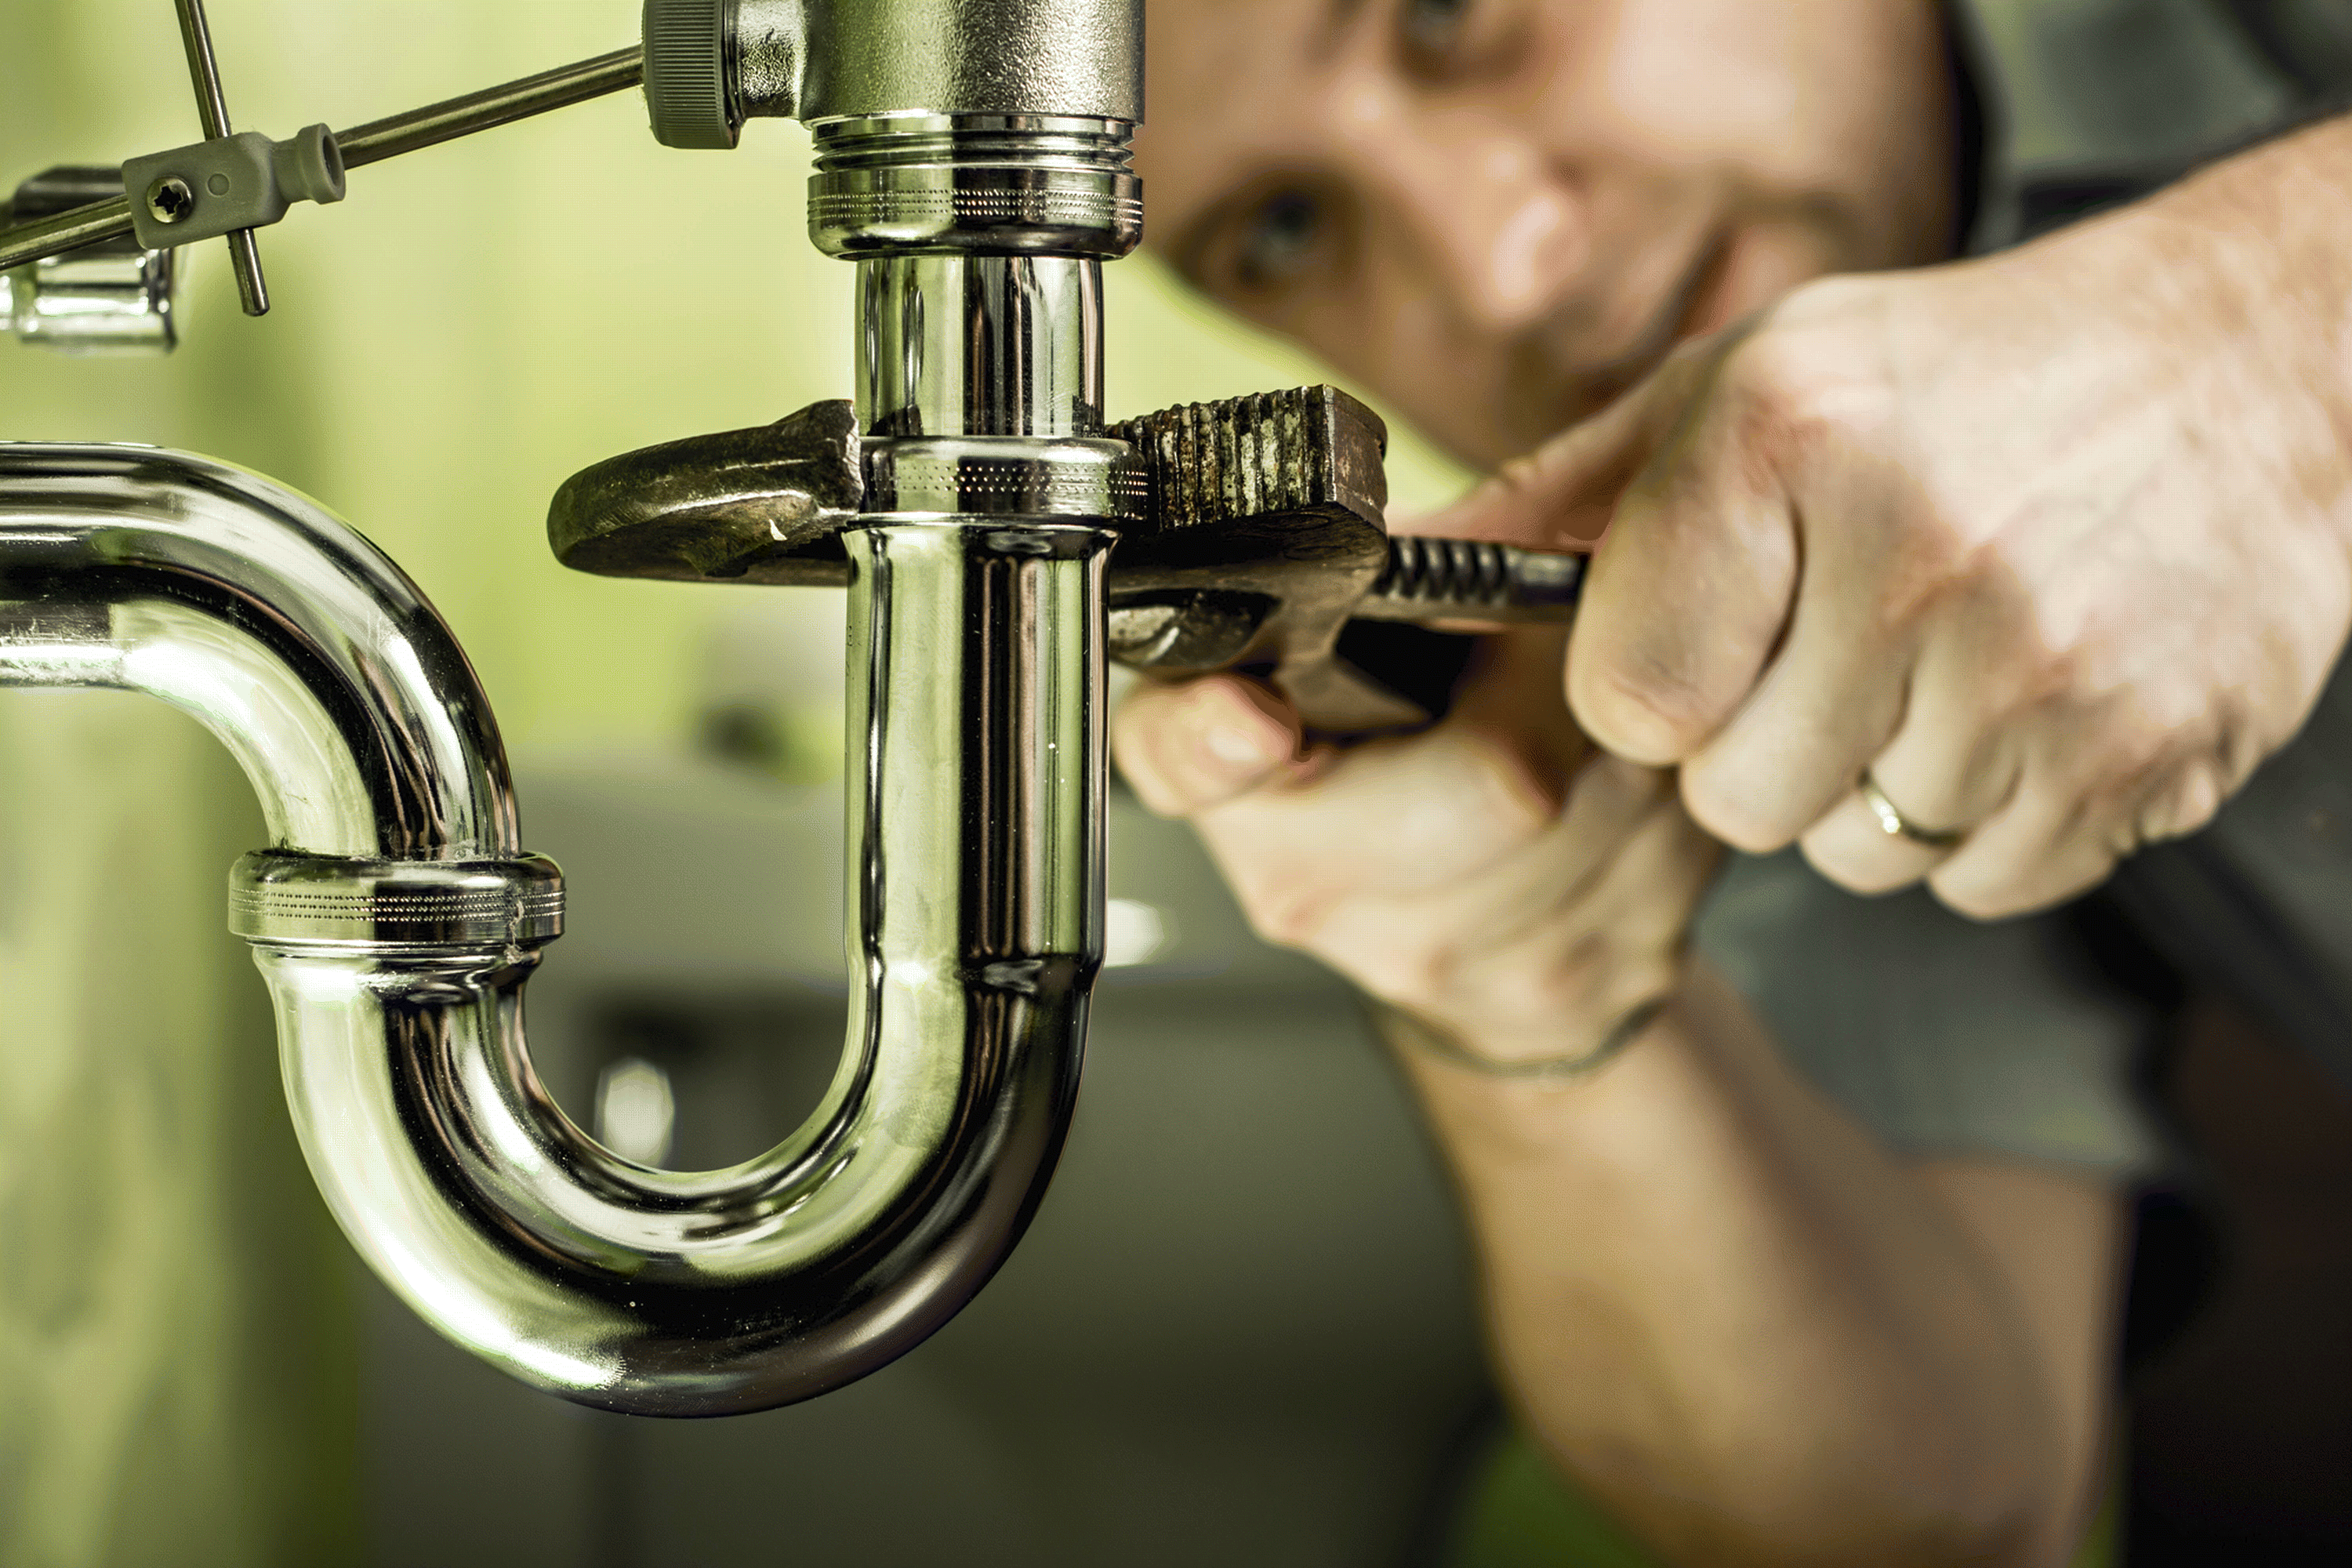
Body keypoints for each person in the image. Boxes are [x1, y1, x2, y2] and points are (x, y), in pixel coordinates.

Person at [1121, 1, 2352, 1562]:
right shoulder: (1738, 548)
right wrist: (1540, 1005)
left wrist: (2275, 330)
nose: (1506, 266)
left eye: (1449, 17)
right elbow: (1940, 1515)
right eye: (1286, 230)